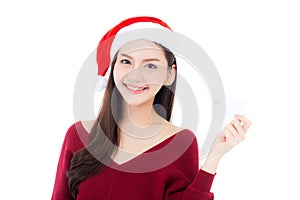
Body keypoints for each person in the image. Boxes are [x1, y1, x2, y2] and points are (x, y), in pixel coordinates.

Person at [52, 16, 252, 200]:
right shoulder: (78, 136)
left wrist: (214, 156)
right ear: (113, 69)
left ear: (169, 75)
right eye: (126, 61)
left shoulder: (180, 143)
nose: (135, 75)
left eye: (150, 66)